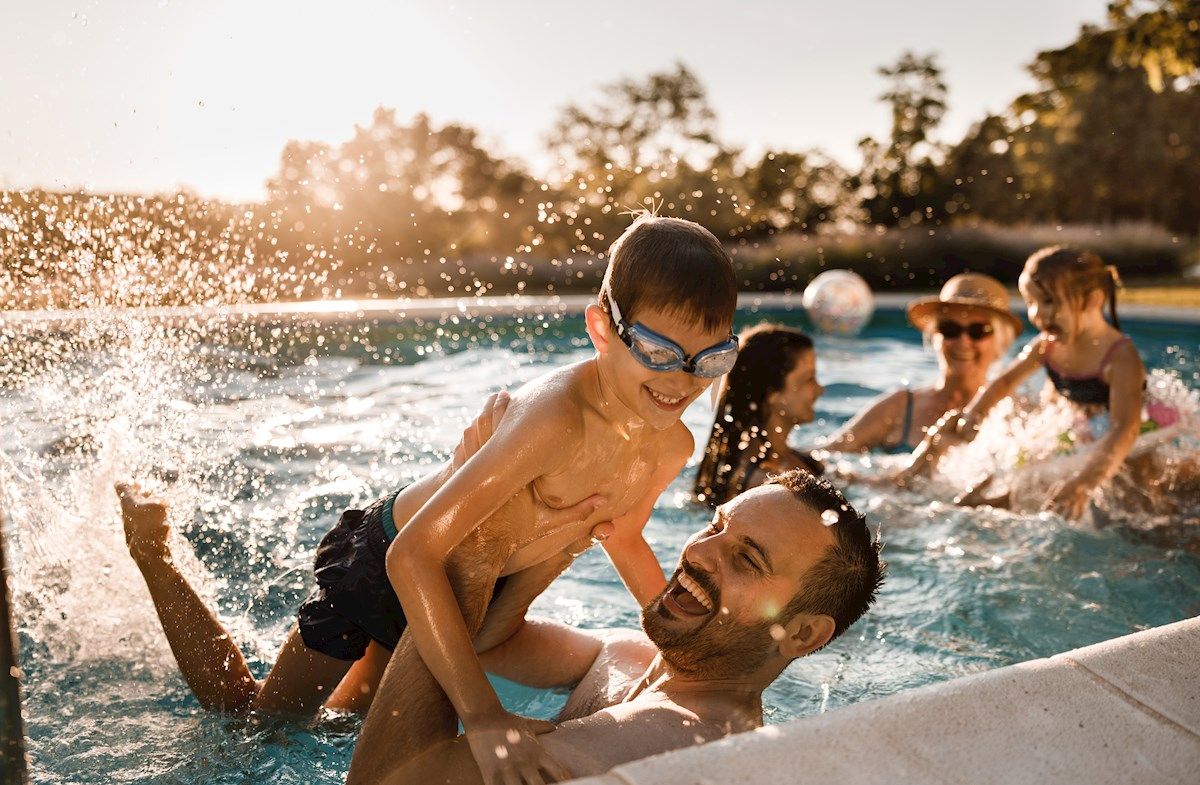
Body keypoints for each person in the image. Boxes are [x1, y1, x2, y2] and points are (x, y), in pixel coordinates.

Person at [120, 214, 740, 785]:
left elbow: (622, 537)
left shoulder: (668, 446)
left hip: (471, 588)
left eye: (709, 361)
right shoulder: (555, 419)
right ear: (601, 328)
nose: (679, 381)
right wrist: (485, 713)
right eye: (658, 353)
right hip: (386, 559)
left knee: (349, 722)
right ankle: (154, 554)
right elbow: (413, 557)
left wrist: (685, 645)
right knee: (259, 723)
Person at [376, 468, 886, 784]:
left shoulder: (670, 743)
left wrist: (472, 550)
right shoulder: (629, 654)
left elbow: (388, 782)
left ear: (801, 634)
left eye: (747, 560)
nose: (698, 551)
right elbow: (488, 643)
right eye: (716, 525)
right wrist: (568, 530)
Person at [900, 246, 1147, 519]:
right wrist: (975, 414)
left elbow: (1126, 428)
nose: (1038, 315)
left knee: (1138, 502)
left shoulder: (1120, 358)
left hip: (1138, 430)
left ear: (1092, 301)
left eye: (1049, 302)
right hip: (1086, 425)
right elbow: (1004, 382)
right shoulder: (1046, 346)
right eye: (1032, 302)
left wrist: (1084, 483)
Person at [820, 273, 1021, 454]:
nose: (963, 342)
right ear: (934, 336)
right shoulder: (899, 407)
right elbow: (825, 456)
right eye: (950, 329)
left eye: (978, 331)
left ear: (1001, 343)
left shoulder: (1017, 413)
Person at [693, 324, 825, 507]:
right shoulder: (761, 483)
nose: (820, 390)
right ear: (773, 394)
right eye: (809, 379)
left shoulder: (795, 458)